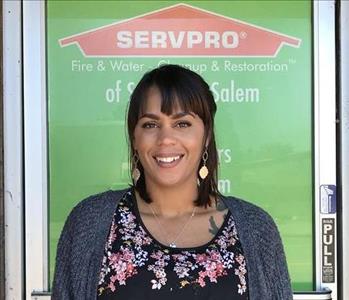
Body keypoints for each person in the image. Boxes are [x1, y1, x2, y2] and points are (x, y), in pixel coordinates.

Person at [52, 64, 292, 300]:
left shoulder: (255, 229)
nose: (165, 139)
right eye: (150, 124)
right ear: (135, 137)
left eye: (182, 124)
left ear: (206, 136)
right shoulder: (90, 223)